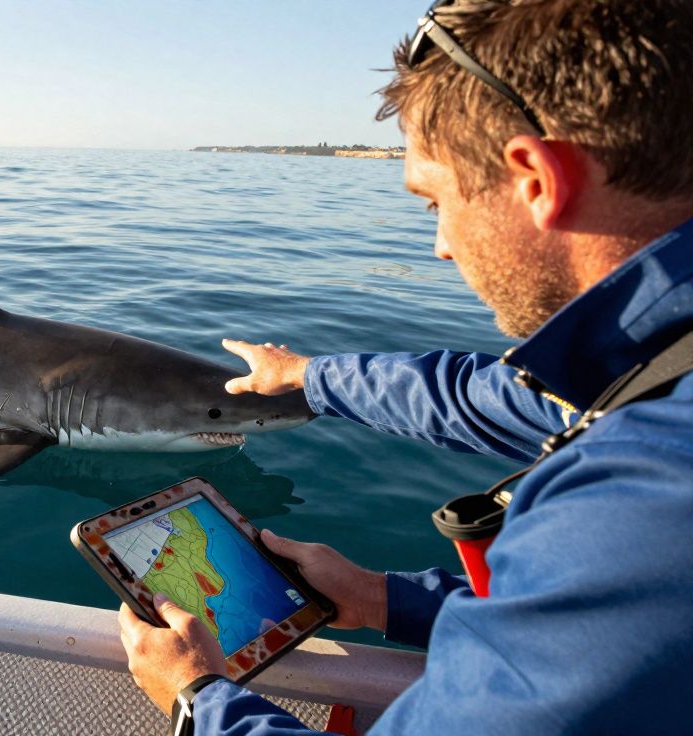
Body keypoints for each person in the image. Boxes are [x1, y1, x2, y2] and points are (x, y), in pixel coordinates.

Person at [118, 1, 693, 733]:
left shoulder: (646, 502)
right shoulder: (648, 369)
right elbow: (479, 398)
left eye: (434, 204)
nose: (443, 249)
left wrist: (198, 696)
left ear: (536, 180)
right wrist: (382, 597)